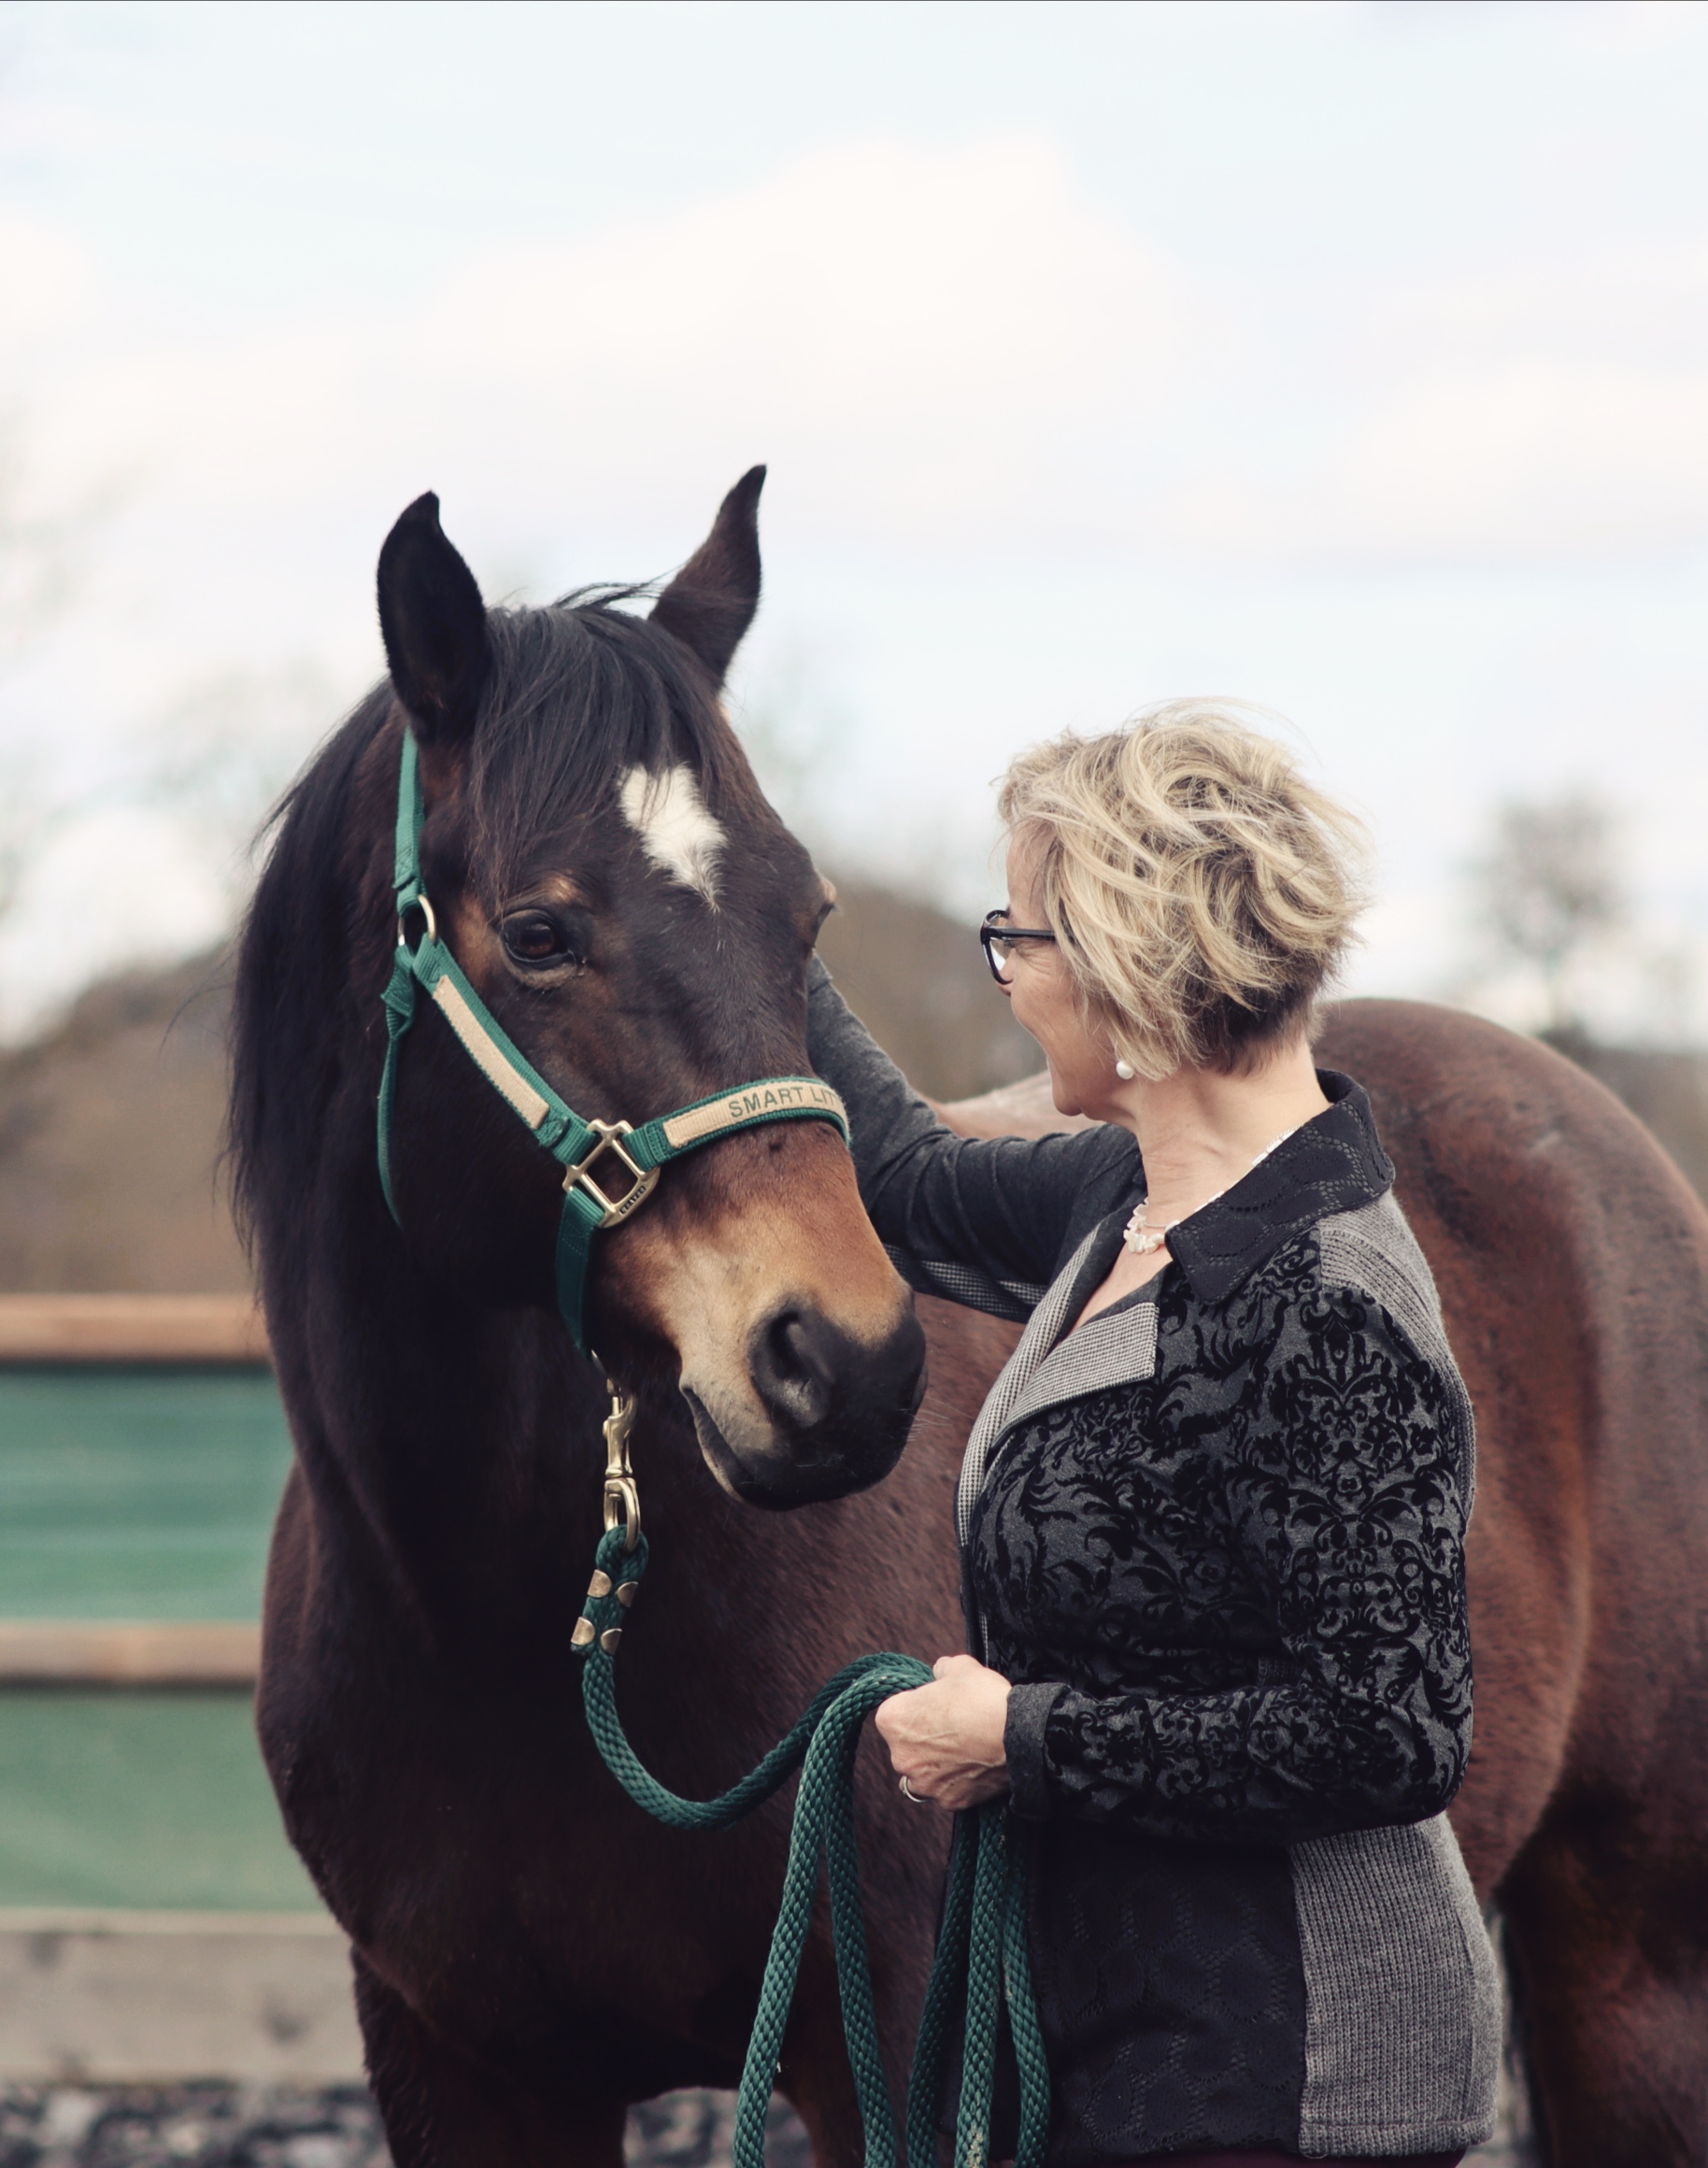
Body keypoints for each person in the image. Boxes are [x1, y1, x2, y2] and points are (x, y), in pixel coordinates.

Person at [805, 704, 1501, 2167]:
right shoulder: (1121, 1203)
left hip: (1292, 2078)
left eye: (1022, 941)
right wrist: (722, 909)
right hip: (1131, 2037)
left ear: (1128, 961)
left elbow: (1392, 1731)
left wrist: (1019, 1737)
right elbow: (913, 1179)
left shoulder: (1323, 1301)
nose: (1008, 983)